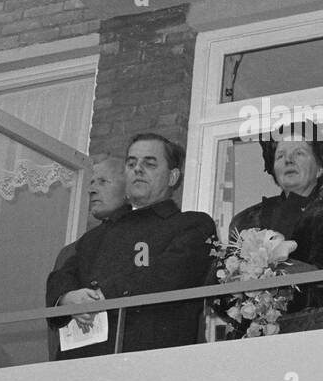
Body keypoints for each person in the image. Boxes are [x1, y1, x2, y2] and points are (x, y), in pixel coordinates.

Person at [45, 133, 216, 358]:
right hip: (81, 362)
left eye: (149, 163)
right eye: (131, 163)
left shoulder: (193, 224)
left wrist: (101, 296)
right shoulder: (95, 236)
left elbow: (170, 273)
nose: (137, 169)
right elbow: (61, 276)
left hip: (151, 359)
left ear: (173, 177)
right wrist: (68, 298)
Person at [226, 120, 323, 320]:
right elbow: (227, 295)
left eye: (299, 153)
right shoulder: (245, 221)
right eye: (280, 156)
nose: (288, 161)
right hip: (258, 338)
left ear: (320, 168)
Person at [52, 154, 128, 273]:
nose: (91, 190)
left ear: (128, 189)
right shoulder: (71, 252)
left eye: (102, 181)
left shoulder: (146, 237)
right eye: (91, 182)